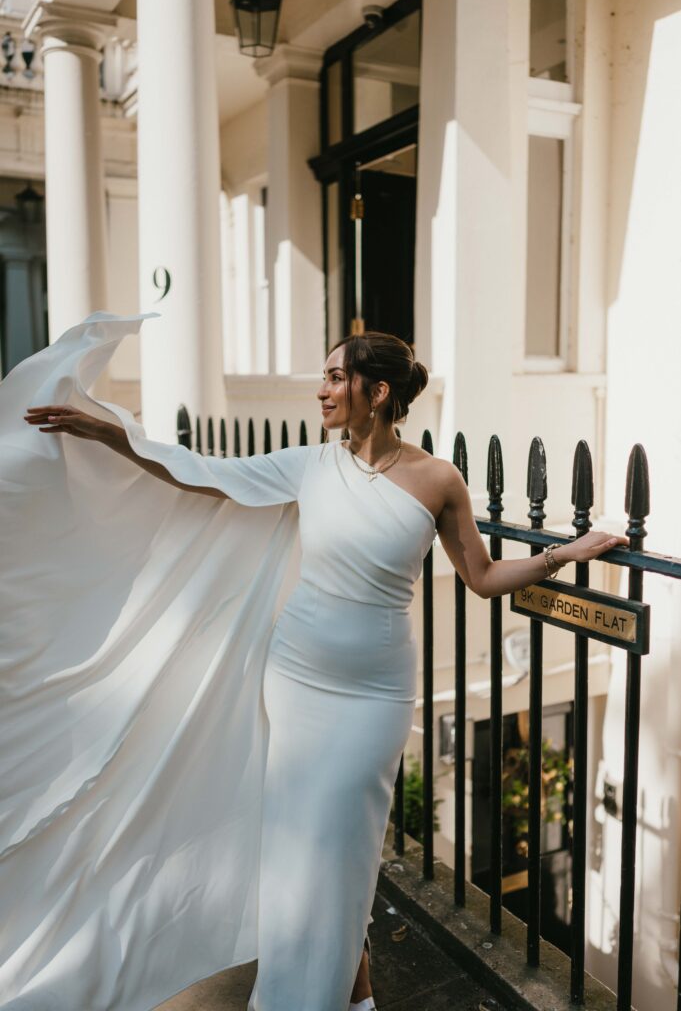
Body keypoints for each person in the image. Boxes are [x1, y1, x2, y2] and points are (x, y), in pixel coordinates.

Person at [1, 313, 627, 1011]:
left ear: (377, 391)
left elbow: (479, 577)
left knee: (342, 851)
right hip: (295, 683)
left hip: (375, 698)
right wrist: (114, 437)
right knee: (301, 858)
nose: (322, 391)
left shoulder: (437, 479)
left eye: (335, 377)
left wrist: (559, 556)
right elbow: (202, 476)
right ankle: (340, 995)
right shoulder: (307, 464)